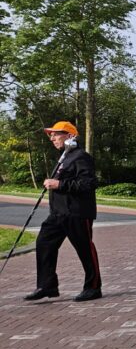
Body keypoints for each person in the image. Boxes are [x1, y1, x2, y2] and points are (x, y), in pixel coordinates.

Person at [25, 121, 102, 302]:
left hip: (77, 213)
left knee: (85, 249)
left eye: (56, 134)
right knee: (44, 242)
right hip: (58, 213)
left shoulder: (81, 157)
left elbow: (89, 183)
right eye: (50, 135)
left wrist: (59, 184)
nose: (52, 138)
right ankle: (47, 286)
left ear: (69, 136)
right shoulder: (64, 157)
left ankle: (93, 288)